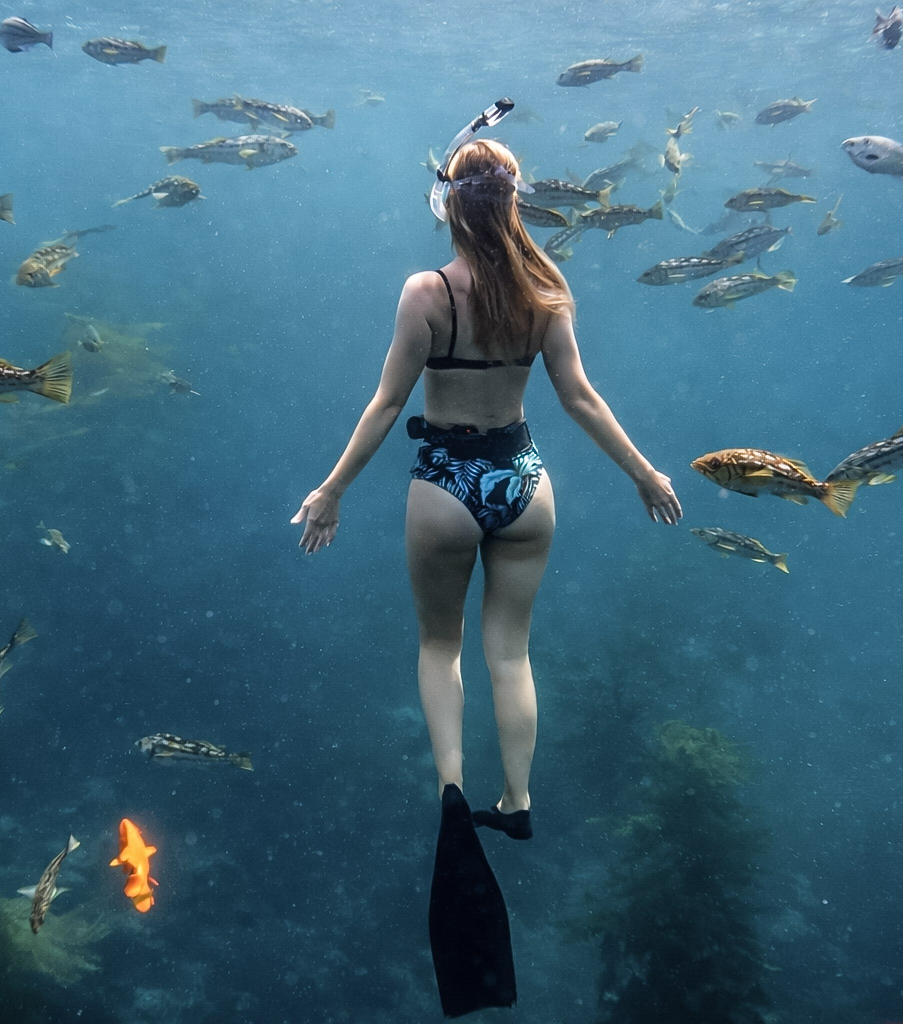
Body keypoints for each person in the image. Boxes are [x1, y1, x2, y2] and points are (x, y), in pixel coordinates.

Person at [292, 118, 680, 1016]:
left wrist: (332, 490)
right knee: (512, 652)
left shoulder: (427, 292)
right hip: (523, 481)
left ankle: (452, 790)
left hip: (446, 482)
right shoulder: (547, 288)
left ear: (450, 208)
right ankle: (517, 797)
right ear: (515, 204)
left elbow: (386, 403)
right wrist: (644, 472)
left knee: (442, 647)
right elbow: (580, 398)